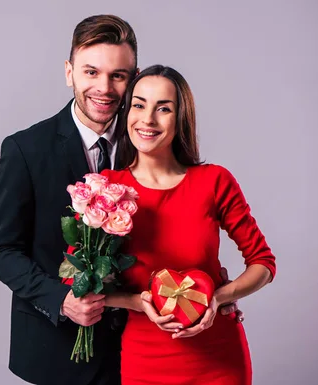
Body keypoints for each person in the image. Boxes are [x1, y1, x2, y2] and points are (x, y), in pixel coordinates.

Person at [0, 14, 240, 385]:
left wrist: (209, 290)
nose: (103, 87)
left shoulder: (148, 139)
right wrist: (61, 299)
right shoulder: (25, 150)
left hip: (144, 346)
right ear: (69, 72)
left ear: (132, 79)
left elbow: (172, 230)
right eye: (91, 72)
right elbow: (0, 250)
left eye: (118, 75)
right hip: (58, 349)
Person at [102, 65, 277, 385]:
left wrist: (219, 298)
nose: (148, 119)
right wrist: (134, 301)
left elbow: (263, 263)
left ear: (180, 117)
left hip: (219, 361)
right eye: (139, 105)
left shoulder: (214, 181)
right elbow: (80, 282)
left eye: (163, 108)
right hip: (145, 361)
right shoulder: (105, 190)